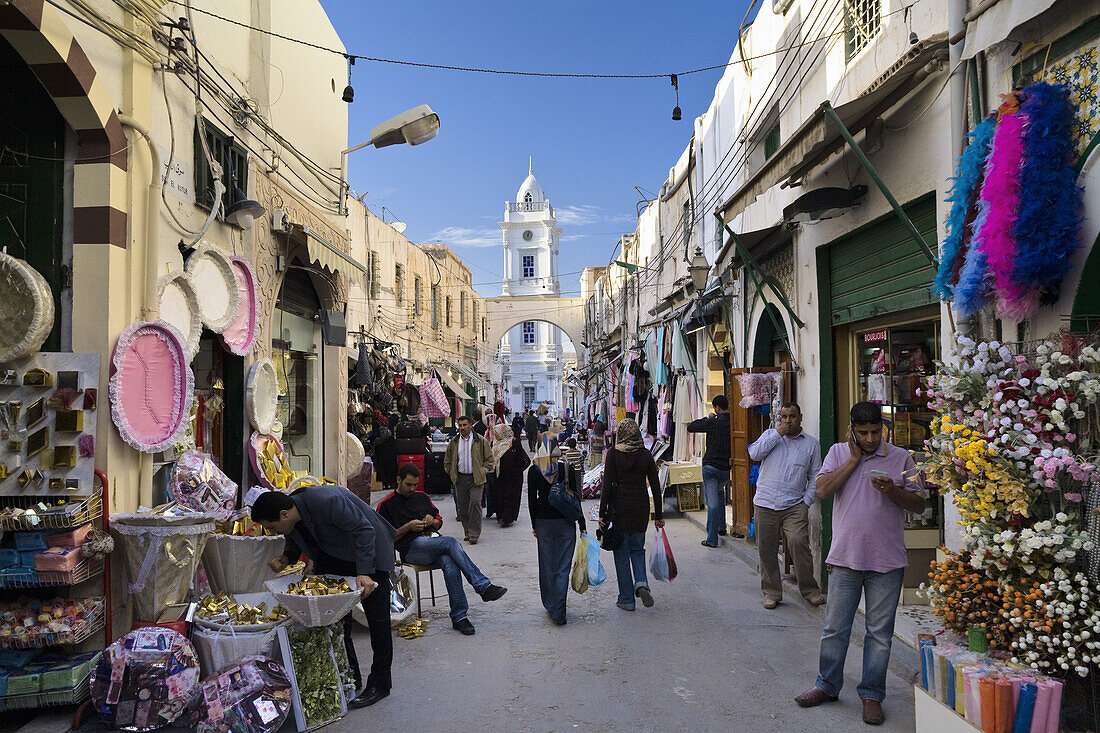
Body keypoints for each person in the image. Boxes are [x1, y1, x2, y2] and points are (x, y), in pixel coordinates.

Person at [795, 402, 925, 727]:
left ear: (883, 428)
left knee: (879, 634)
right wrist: (853, 461)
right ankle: (826, 685)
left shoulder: (901, 457)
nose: (870, 439)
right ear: (852, 429)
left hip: (888, 559)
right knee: (834, 628)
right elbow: (821, 490)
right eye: (863, 432)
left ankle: (871, 695)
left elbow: (920, 504)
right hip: (845, 557)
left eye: (875, 432)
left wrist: (893, 490)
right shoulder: (839, 453)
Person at [254, 486, 394, 709]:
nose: (272, 532)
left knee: (378, 621)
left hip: (370, 553)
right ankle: (350, 677)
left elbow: (364, 530)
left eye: (272, 527)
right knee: (336, 620)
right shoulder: (291, 511)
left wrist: (364, 572)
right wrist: (286, 558)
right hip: (335, 556)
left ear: (283, 514)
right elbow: (296, 536)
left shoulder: (327, 501)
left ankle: (380, 683)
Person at [376, 464, 507, 635]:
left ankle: (459, 616)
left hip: (433, 542)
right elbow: (384, 539)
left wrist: (432, 521)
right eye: (408, 484)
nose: (412, 488)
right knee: (451, 543)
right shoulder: (386, 505)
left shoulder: (422, 497)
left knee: (449, 562)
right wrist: (407, 527)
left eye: (415, 484)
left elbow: (438, 520)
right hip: (411, 549)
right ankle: (482, 586)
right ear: (398, 480)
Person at [747, 402, 824, 609]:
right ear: (779, 418)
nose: (788, 420)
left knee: (799, 543)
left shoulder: (811, 444)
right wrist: (777, 434)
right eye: (784, 416)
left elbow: (815, 475)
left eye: (792, 416)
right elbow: (754, 454)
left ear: (800, 417)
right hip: (765, 502)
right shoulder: (770, 436)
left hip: (794, 505)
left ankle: (810, 590)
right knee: (767, 549)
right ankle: (771, 592)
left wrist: (806, 502)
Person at [599, 419, 663, 611]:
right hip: (640, 508)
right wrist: (658, 515)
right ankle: (641, 582)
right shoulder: (645, 455)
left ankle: (626, 599)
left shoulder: (613, 454)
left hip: (619, 510)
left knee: (621, 553)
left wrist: (603, 513)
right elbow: (656, 486)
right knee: (637, 548)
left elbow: (607, 485)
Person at [529, 458, 586, 625]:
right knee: (562, 568)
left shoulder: (535, 470)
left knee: (547, 566)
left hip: (544, 522)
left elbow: (532, 499)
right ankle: (559, 609)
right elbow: (576, 497)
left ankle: (550, 604)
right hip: (566, 522)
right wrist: (582, 525)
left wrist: (534, 524)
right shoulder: (568, 468)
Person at [687, 395, 733, 547]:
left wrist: (708, 418)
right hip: (726, 468)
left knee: (712, 503)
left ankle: (712, 539)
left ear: (717, 408)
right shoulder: (733, 422)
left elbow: (691, 426)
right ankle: (721, 528)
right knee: (720, 494)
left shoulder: (713, 421)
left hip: (711, 467)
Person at [444, 415, 492, 544]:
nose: (462, 428)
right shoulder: (454, 442)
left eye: (465, 425)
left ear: (471, 425)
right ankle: (467, 531)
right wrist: (451, 472)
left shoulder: (480, 441)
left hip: (476, 478)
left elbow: (490, 460)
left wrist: (483, 470)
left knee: (475, 504)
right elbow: (447, 460)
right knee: (463, 508)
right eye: (460, 425)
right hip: (460, 479)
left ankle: (474, 534)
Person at [491, 423, 530, 527]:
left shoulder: (513, 442)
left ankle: (508, 518)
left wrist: (517, 470)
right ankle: (501, 516)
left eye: (497, 432)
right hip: (500, 476)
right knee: (500, 496)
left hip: (513, 476)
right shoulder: (495, 443)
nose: (496, 435)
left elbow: (523, 459)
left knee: (511, 496)